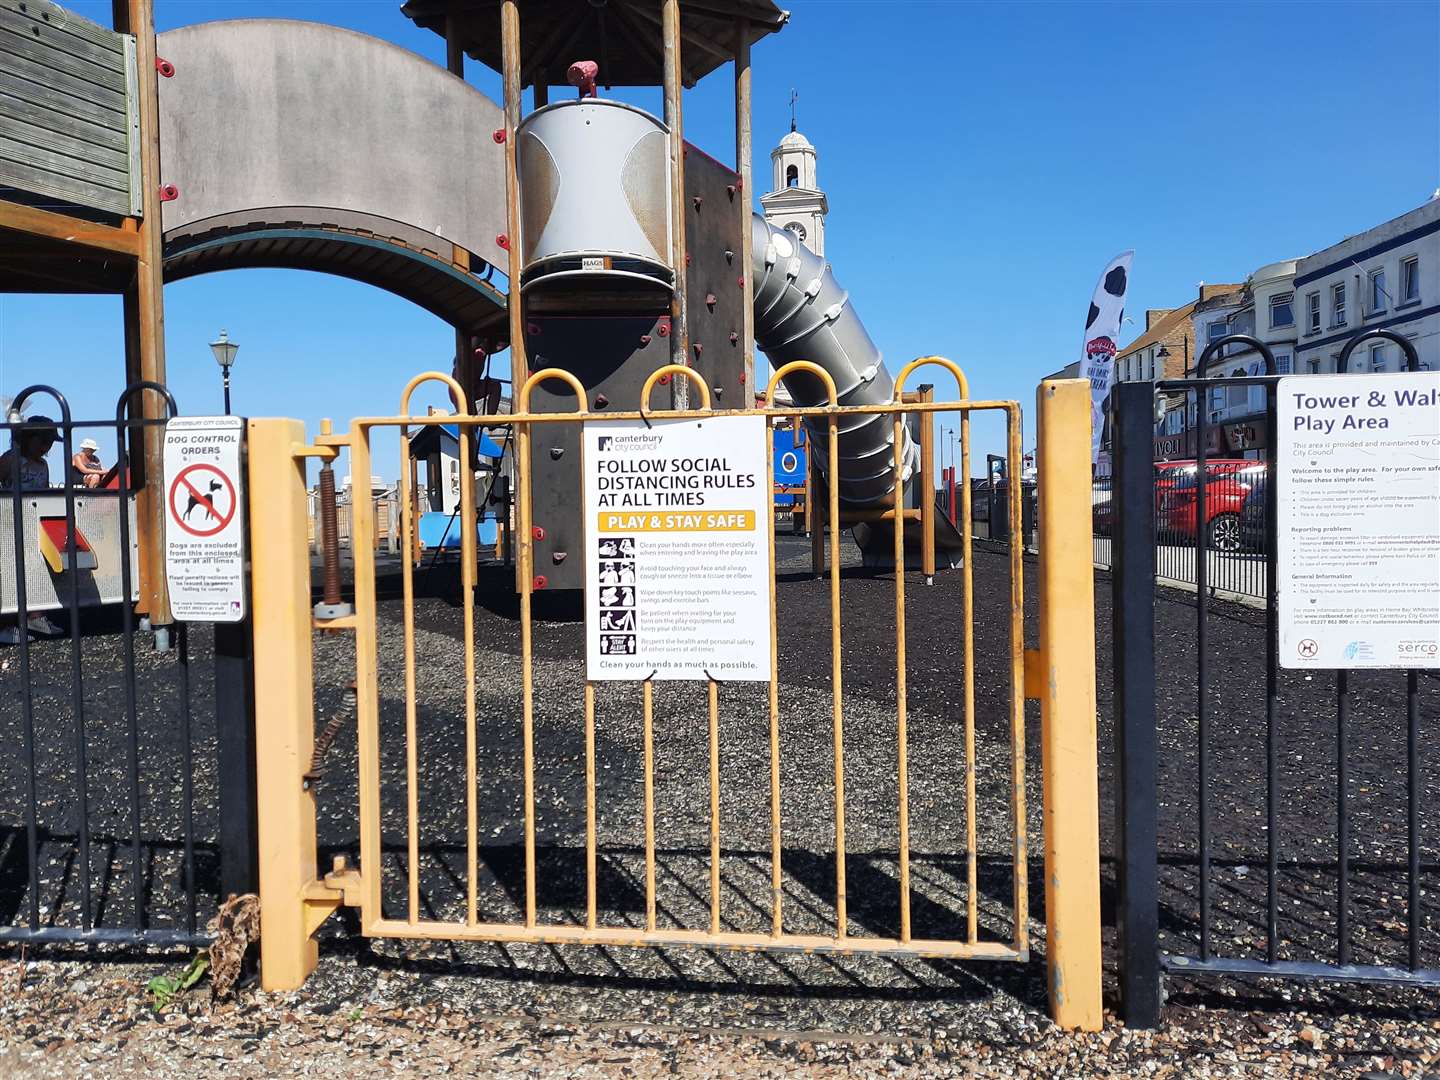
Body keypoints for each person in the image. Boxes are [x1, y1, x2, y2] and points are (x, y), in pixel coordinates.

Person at [0, 416, 65, 644]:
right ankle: (7, 624)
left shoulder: (42, 465)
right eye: (43, 441)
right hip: (9, 523)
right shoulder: (11, 460)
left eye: (49, 443)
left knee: (37, 569)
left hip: (34, 523)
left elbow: (44, 492)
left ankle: (36, 615)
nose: (46, 448)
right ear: (29, 438)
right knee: (9, 573)